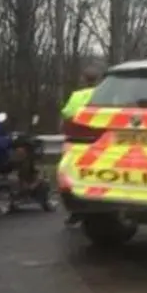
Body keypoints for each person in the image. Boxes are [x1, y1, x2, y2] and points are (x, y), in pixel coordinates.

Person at [61, 66, 102, 226]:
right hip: (101, 141)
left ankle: (76, 212)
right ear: (98, 80)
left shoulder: (77, 96)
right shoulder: (105, 94)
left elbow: (66, 114)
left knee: (74, 176)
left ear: (84, 80)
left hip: (79, 141)